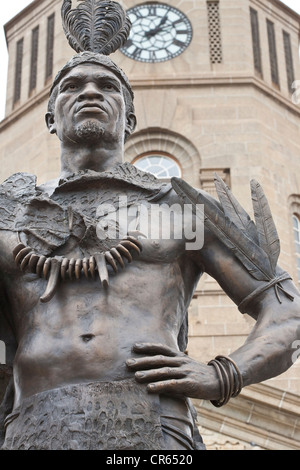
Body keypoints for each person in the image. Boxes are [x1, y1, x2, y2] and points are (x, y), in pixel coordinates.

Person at [0, 1, 299, 451]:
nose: (90, 92)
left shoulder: (182, 211)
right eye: (72, 85)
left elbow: (286, 310)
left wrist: (222, 375)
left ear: (131, 118)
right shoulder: (10, 216)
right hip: (33, 425)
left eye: (108, 85)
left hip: (155, 426)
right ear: (50, 117)